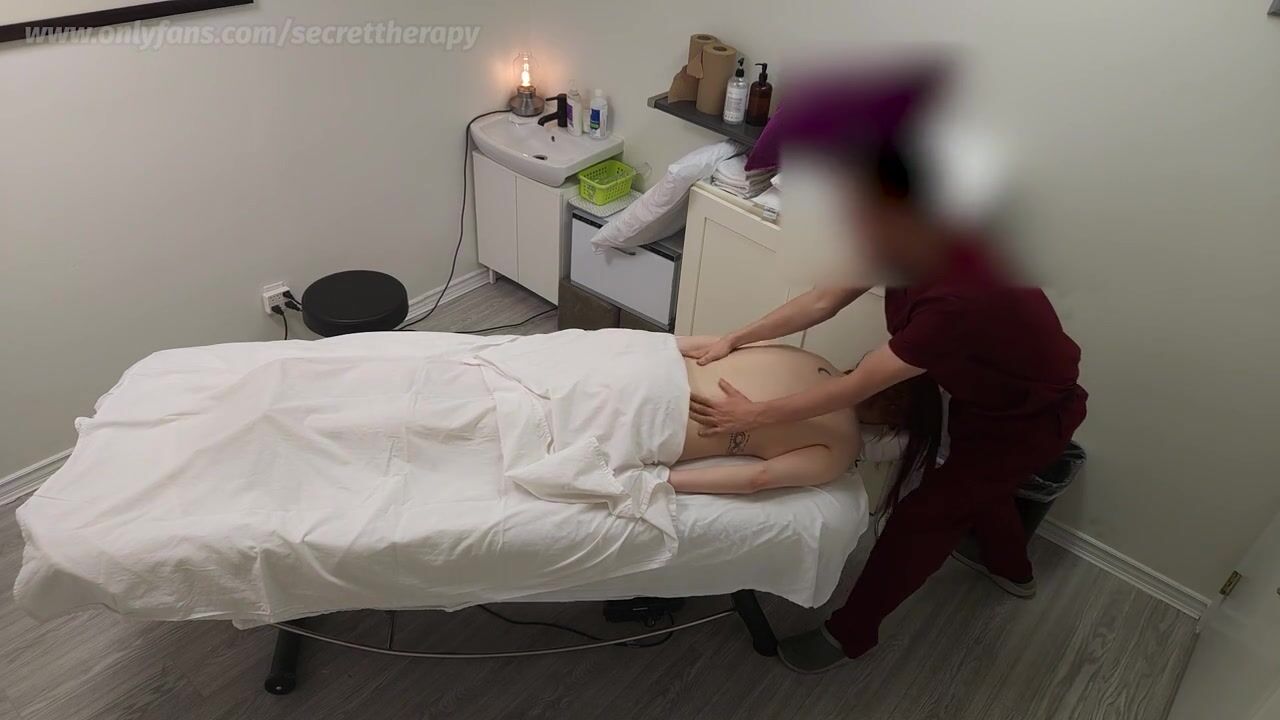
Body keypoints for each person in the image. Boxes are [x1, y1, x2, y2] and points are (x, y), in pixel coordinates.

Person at [683, 141, 1088, 673]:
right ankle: (1012, 570)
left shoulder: (956, 296)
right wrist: (735, 338)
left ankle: (848, 634)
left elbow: (857, 385)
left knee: (928, 515)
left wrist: (755, 415)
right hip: (981, 389)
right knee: (976, 484)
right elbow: (821, 300)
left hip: (1028, 416)